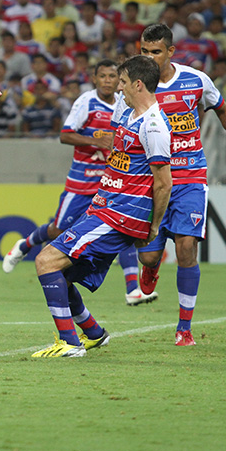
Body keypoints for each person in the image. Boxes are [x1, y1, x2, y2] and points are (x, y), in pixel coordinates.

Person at [31, 55, 173, 358]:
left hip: (120, 215)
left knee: (46, 262)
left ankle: (69, 342)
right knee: (62, 273)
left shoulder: (154, 126)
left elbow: (164, 183)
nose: (117, 88)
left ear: (137, 84)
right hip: (104, 207)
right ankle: (94, 333)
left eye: (121, 82)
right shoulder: (127, 110)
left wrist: (154, 226)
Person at [135, 24, 226, 346]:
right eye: (144, 51)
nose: (149, 57)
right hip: (151, 178)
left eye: (156, 51)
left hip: (190, 174)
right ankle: (150, 268)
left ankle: (184, 328)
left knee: (186, 247)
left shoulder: (195, 80)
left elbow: (224, 112)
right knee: (149, 257)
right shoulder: (135, 87)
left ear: (170, 52)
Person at [3, 60, 159, 306]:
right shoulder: (86, 102)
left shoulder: (126, 104)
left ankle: (133, 289)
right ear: (94, 79)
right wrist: (96, 142)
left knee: (121, 230)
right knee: (57, 230)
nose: (108, 81)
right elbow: (65, 135)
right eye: (103, 76)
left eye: (112, 76)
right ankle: (25, 244)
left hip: (112, 185)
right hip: (81, 182)